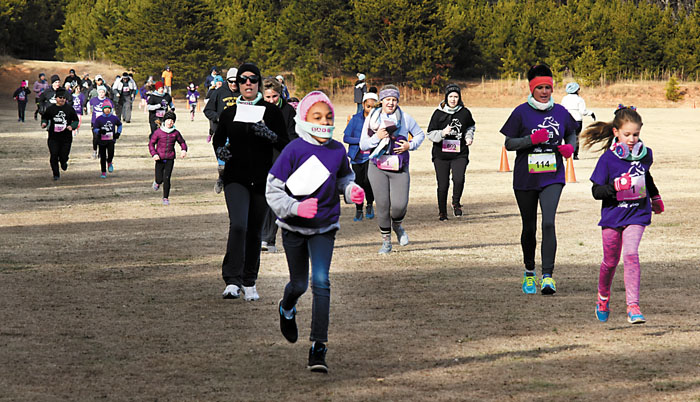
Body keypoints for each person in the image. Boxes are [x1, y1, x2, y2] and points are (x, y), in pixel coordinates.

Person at [266, 91, 364, 373]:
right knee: (299, 285)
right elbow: (273, 191)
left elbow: (344, 178)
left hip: (325, 226)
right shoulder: (293, 150)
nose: (324, 122)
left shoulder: (337, 150)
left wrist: (351, 190)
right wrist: (296, 208)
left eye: (329, 117)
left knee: (321, 281)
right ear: (304, 119)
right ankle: (286, 308)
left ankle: (318, 346)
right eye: (317, 117)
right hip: (293, 228)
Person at [212, 62, 289, 301]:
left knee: (255, 230)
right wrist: (221, 152)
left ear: (258, 83)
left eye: (253, 79)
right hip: (235, 177)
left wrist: (271, 135)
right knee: (238, 225)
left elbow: (285, 144)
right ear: (237, 84)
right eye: (243, 79)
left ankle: (249, 281)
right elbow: (218, 139)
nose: (248, 83)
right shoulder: (230, 113)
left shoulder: (271, 112)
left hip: (262, 178)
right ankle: (232, 281)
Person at [581, 105, 664, 324]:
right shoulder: (607, 159)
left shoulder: (645, 155)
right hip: (613, 216)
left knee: (631, 254)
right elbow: (596, 192)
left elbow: (646, 176)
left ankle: (633, 306)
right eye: (627, 134)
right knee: (610, 262)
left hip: (637, 213)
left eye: (636, 134)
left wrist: (655, 197)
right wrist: (615, 187)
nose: (632, 139)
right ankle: (603, 298)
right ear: (616, 132)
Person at [500, 64, 577, 295]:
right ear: (532, 89)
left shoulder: (561, 112)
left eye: (548, 87)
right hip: (526, 178)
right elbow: (509, 143)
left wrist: (570, 147)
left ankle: (548, 276)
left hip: (552, 176)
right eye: (540, 87)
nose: (544, 92)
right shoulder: (520, 112)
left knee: (549, 222)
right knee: (529, 227)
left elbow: (571, 132)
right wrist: (531, 140)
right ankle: (529, 271)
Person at [359, 84, 425, 254]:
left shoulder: (405, 118)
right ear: (381, 101)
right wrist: (377, 137)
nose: (391, 103)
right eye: (387, 99)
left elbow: (420, 134)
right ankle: (386, 242)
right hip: (377, 166)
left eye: (394, 100)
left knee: (399, 205)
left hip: (399, 166)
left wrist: (409, 145)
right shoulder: (372, 119)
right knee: (382, 205)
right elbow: (363, 145)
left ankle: (397, 225)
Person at [426, 84, 476, 221]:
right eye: (451, 96)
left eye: (456, 97)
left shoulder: (464, 112)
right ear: (446, 98)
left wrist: (469, 137)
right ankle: (442, 212)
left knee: (459, 179)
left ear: (459, 98)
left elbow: (470, 126)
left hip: (460, 153)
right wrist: (442, 133)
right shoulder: (438, 113)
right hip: (441, 155)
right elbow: (430, 134)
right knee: (443, 185)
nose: (453, 99)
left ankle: (456, 203)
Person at [260, 77, 298, 253]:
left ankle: (269, 239)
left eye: (274, 96)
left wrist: (275, 138)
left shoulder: (288, 111)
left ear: (280, 94)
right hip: (261, 159)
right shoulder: (257, 109)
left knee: (275, 199)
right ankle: (262, 237)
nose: (271, 100)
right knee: (262, 199)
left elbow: (292, 138)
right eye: (267, 97)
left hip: (281, 160)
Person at [343, 91, 378, 221]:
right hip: (357, 158)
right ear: (363, 105)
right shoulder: (355, 119)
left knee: (368, 181)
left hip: (371, 157)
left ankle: (369, 205)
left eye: (373, 107)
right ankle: (358, 209)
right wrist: (362, 141)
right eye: (368, 106)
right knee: (358, 183)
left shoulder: (379, 120)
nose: (370, 110)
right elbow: (346, 138)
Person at [204, 67, 239, 193]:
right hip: (223, 133)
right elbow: (208, 110)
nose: (233, 84)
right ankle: (221, 178)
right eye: (231, 81)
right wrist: (218, 118)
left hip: (239, 133)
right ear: (227, 81)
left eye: (236, 81)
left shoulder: (244, 92)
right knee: (222, 164)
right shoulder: (218, 93)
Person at [149, 111, 187, 205]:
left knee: (167, 178)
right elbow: (151, 144)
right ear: (164, 121)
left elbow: (182, 142)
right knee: (159, 178)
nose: (170, 122)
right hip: (159, 158)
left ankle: (165, 198)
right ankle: (157, 182)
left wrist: (183, 150)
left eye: (172, 121)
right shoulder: (158, 132)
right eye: (168, 120)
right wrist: (154, 154)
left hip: (170, 158)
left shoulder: (176, 133)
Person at [41, 88, 79, 180]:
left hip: (66, 137)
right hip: (53, 137)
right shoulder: (51, 109)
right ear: (56, 98)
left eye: (64, 98)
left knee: (63, 155)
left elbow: (76, 120)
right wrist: (44, 123)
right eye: (60, 97)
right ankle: (56, 174)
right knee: (54, 155)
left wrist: (72, 126)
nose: (62, 99)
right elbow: (45, 117)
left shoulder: (69, 109)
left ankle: (63, 162)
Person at [561, 82, 595, 160]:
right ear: (576, 90)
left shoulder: (564, 99)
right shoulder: (580, 99)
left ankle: (567, 155)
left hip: (566, 120)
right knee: (576, 137)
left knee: (567, 137)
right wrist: (591, 113)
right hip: (577, 120)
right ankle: (575, 155)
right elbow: (583, 111)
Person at [93, 104, 122, 178]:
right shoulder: (99, 119)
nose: (107, 110)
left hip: (111, 140)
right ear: (103, 110)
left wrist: (118, 133)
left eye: (108, 108)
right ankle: (103, 172)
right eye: (105, 108)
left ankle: (109, 162)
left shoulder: (114, 118)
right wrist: (99, 131)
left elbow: (119, 125)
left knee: (111, 153)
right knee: (102, 156)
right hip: (101, 140)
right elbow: (95, 128)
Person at [88, 86, 114, 159]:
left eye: (103, 92)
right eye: (100, 92)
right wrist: (89, 111)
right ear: (98, 92)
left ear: (105, 93)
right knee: (96, 137)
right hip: (95, 121)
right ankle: (94, 151)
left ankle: (101, 152)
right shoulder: (94, 100)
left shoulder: (108, 101)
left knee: (103, 138)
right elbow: (88, 104)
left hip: (104, 122)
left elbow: (111, 109)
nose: (101, 94)